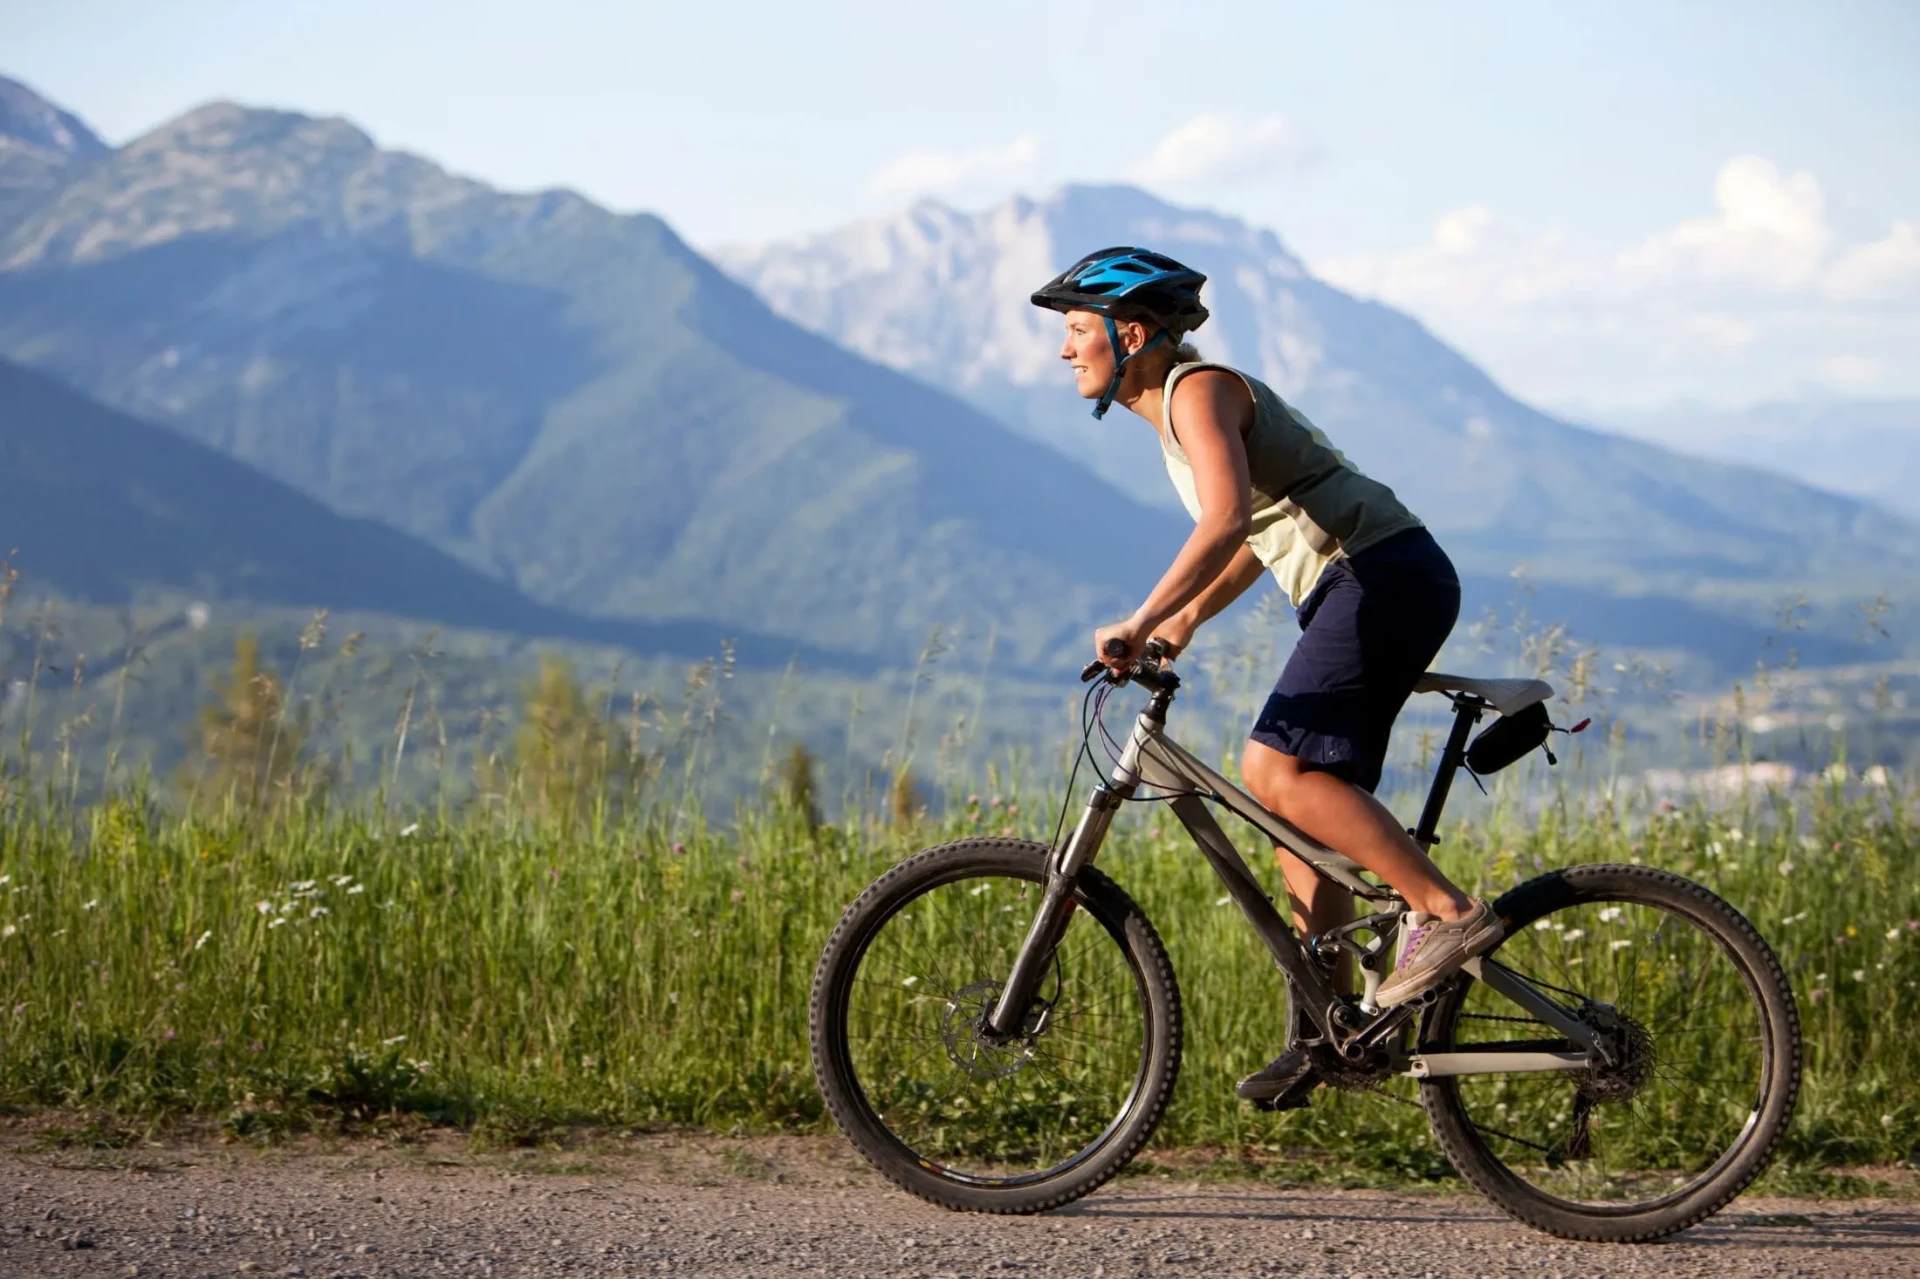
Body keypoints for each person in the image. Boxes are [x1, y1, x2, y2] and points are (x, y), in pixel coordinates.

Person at [1030, 247, 1502, 1109]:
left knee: (1271, 769)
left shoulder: (1196, 392)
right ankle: (1333, 1030)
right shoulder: (1181, 411)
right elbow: (1255, 531)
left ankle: (1445, 912)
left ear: (1127, 332)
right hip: (1369, 579)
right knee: (1296, 822)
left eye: (1073, 330)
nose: (1064, 350)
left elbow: (1223, 520)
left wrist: (1139, 617)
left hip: (1378, 573)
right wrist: (1183, 621)